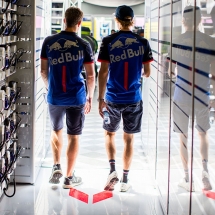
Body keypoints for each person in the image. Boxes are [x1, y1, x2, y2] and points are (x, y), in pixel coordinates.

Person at [97, 5, 153, 192]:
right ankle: (125, 181)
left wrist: (100, 98)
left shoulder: (108, 41)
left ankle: (112, 170)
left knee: (109, 133)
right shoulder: (142, 42)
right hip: (133, 97)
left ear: (117, 20)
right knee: (128, 138)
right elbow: (147, 72)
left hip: (113, 97)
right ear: (133, 20)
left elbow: (103, 73)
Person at [40, 7, 95, 188]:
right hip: (76, 97)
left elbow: (43, 71)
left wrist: (50, 89)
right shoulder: (84, 44)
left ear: (64, 20)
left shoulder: (48, 41)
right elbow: (91, 75)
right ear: (79, 24)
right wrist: (90, 97)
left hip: (55, 95)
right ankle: (69, 178)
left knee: (56, 131)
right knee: (74, 136)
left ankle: (56, 166)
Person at [168, 6, 215, 191]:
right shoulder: (210, 42)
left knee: (183, 137)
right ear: (200, 20)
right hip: (202, 93)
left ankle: (187, 178)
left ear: (183, 21)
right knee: (203, 133)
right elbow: (214, 73)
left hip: (182, 94)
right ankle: (204, 171)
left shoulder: (177, 40)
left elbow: (170, 72)